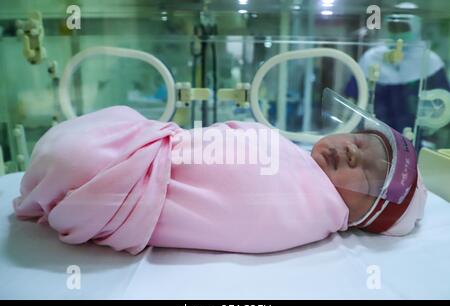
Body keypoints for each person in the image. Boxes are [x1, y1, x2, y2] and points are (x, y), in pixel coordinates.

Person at [13, 90, 427, 254]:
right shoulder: (295, 154)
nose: (353, 153)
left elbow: (244, 210)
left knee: (79, 158)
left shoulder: (310, 210)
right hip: (153, 149)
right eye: (360, 142)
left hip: (134, 184)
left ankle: (82, 173)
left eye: (370, 172)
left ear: (364, 217)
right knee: (84, 148)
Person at [345, 13, 450, 132]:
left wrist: (433, 127)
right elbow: (352, 96)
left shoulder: (430, 61)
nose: (398, 33)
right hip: (373, 130)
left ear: (416, 28)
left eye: (404, 28)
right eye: (393, 28)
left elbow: (444, 104)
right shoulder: (371, 57)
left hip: (414, 133)